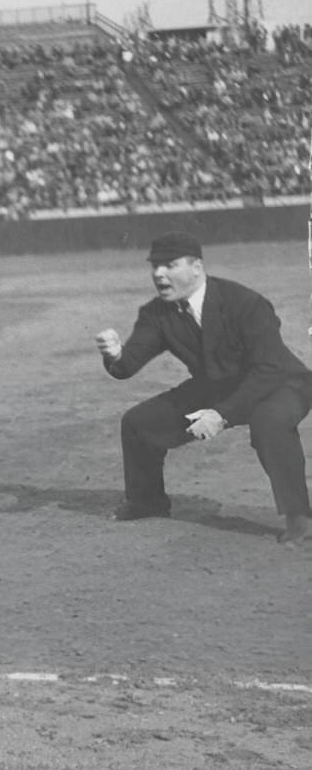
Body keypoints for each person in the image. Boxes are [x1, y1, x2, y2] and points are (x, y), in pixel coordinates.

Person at [95, 231, 312, 544]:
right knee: (138, 423)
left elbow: (269, 368)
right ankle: (147, 501)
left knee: (269, 422)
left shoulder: (244, 302)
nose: (158, 274)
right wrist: (114, 355)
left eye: (169, 265)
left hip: (280, 382)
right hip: (217, 387)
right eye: (155, 266)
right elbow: (126, 367)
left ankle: (300, 517)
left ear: (196, 267)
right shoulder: (156, 313)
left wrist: (221, 415)